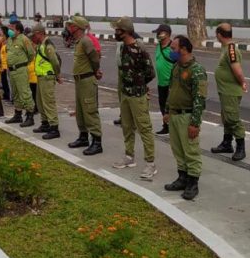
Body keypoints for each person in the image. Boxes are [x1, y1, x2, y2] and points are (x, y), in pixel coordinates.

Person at [111, 17, 158, 180]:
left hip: (138, 95)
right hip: (125, 93)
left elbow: (150, 72)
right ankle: (129, 157)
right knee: (127, 126)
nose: (115, 33)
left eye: (117, 30)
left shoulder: (139, 48)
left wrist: (140, 85)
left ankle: (150, 163)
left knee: (144, 128)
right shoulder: (122, 47)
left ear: (125, 32)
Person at [162, 36, 206, 200]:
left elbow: (199, 99)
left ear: (184, 49)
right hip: (174, 115)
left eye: (174, 48)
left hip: (187, 116)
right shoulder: (176, 67)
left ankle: (193, 183)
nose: (171, 52)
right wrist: (167, 110)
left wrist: (195, 123)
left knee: (191, 151)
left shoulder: (197, 70)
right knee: (178, 149)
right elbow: (171, 90)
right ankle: (182, 178)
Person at [210, 23, 249, 161]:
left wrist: (243, 82)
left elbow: (237, 69)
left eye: (216, 33)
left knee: (232, 118)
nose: (216, 36)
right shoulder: (225, 48)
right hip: (224, 90)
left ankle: (241, 147)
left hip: (231, 91)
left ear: (220, 34)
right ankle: (227, 143)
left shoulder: (231, 49)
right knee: (226, 117)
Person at [66, 16, 103, 155]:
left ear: (77, 27)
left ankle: (97, 142)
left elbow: (94, 57)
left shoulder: (86, 41)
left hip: (87, 80)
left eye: (71, 25)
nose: (69, 27)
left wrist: (96, 71)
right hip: (80, 81)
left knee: (90, 110)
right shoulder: (79, 41)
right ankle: (83, 137)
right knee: (81, 111)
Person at [29, 23, 62, 139]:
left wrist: (57, 75)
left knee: (48, 103)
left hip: (47, 78)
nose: (33, 38)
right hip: (41, 77)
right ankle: (45, 123)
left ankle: (54, 128)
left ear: (39, 34)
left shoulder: (48, 45)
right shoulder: (40, 45)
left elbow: (55, 62)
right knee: (40, 102)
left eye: (34, 35)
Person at [4, 21, 36, 125]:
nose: (9, 30)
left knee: (24, 93)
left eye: (12, 28)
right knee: (15, 93)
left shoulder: (24, 39)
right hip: (12, 71)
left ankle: (30, 116)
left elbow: (31, 54)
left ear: (18, 30)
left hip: (21, 69)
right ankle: (17, 115)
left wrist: (23, 64)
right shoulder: (9, 40)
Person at [153, 24, 176, 135]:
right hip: (161, 82)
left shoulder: (173, 47)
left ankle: (173, 127)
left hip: (171, 83)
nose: (157, 35)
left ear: (166, 34)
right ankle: (166, 126)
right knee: (162, 105)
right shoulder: (158, 46)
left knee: (171, 106)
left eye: (159, 33)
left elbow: (179, 62)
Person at [0, 26, 11, 102]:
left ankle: (9, 96)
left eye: (1, 34)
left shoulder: (7, 45)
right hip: (3, 67)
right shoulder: (2, 44)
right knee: (4, 83)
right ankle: (6, 95)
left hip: (6, 67)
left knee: (7, 83)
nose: (0, 36)